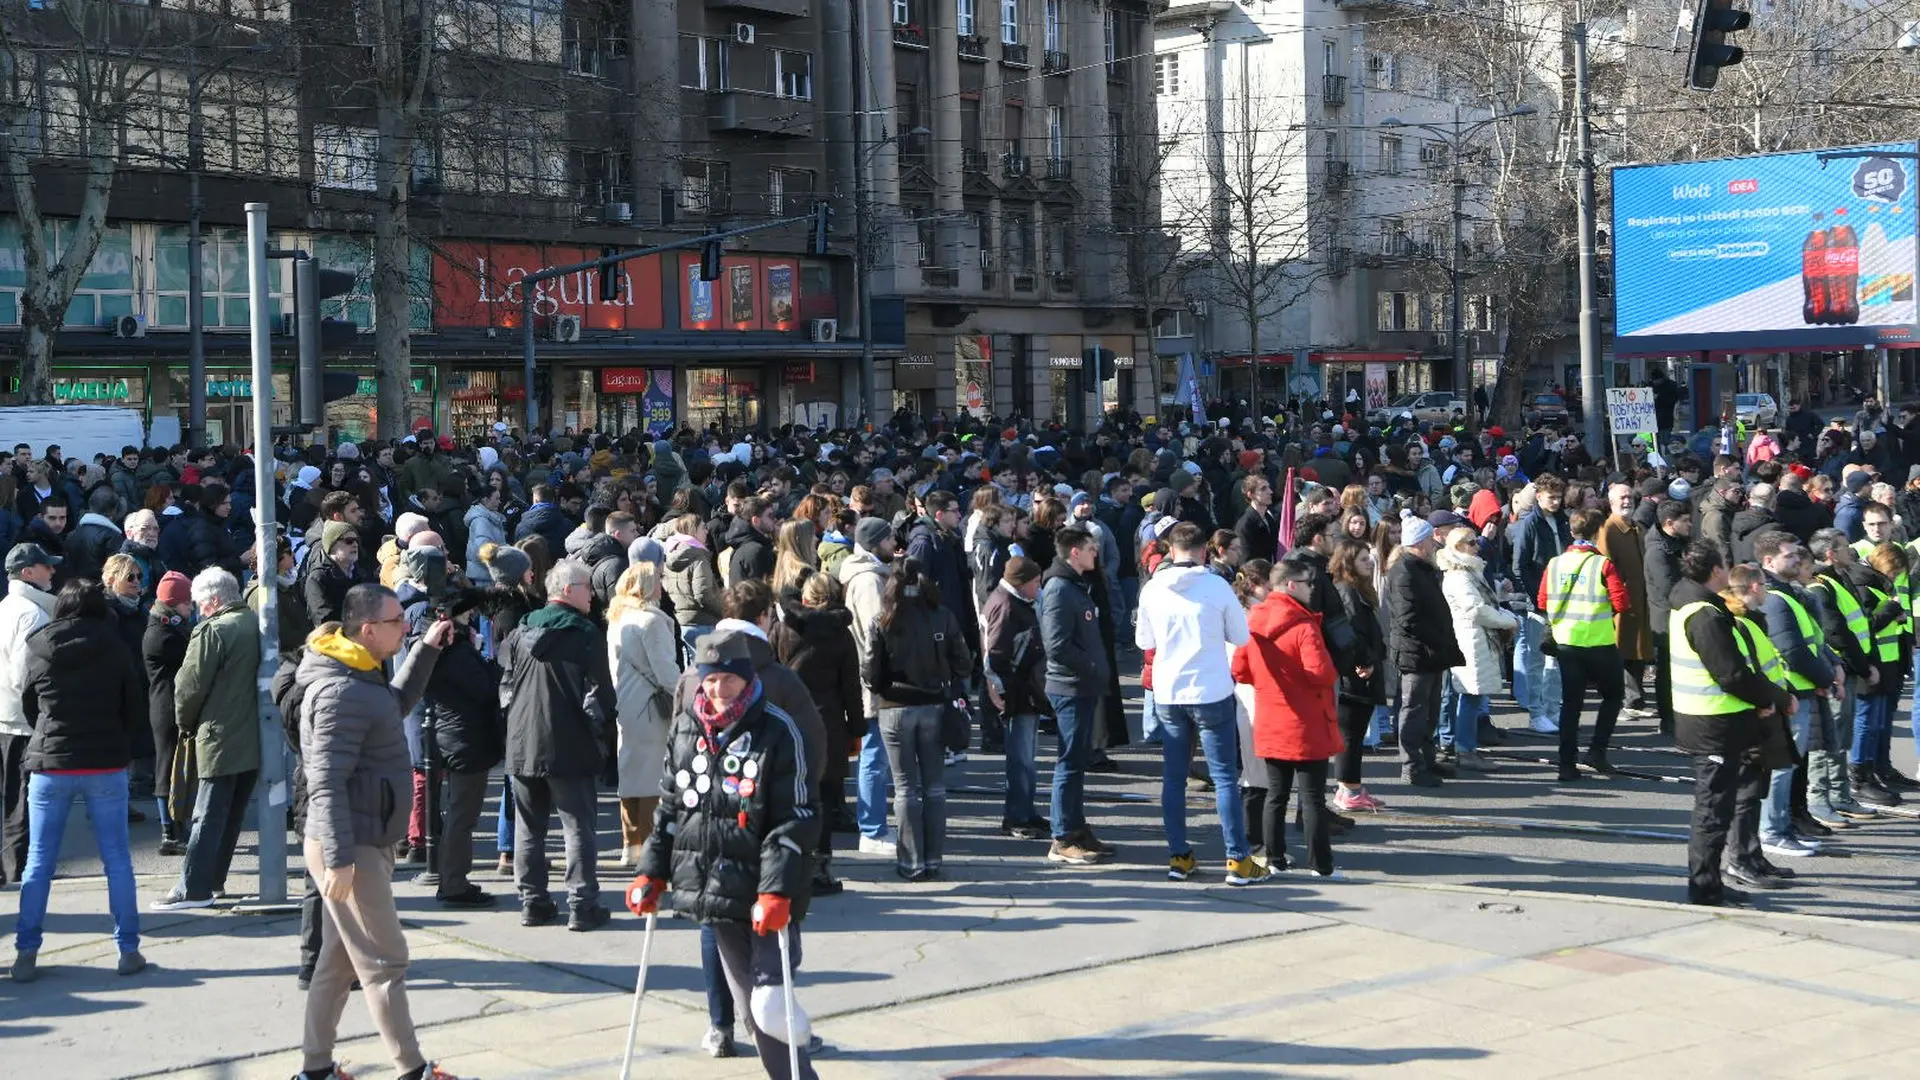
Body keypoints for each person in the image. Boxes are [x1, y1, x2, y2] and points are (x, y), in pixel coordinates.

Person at [625, 634, 822, 1080]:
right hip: (712, 889)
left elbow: (796, 817)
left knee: (772, 1005)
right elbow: (670, 809)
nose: (717, 690)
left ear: (747, 678)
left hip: (764, 892)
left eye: (728, 680)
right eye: (710, 680)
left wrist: (775, 890)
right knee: (754, 1012)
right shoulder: (685, 728)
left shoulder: (776, 730)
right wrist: (651, 872)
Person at [292, 583, 459, 1080]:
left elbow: (394, 704)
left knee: (337, 965)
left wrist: (427, 649)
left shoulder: (360, 674)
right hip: (350, 845)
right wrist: (342, 858)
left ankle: (314, 1070)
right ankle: (414, 1071)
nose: (403, 628)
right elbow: (325, 780)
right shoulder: (341, 688)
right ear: (367, 629)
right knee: (386, 965)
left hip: (358, 839)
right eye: (396, 622)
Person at [10, 580, 147, 982]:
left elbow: (30, 703)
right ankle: (128, 949)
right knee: (117, 860)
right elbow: (132, 705)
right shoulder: (115, 644)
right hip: (105, 762)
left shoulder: (38, 645)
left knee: (38, 862)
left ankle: (26, 953)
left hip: (51, 763)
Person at [1670, 541, 1798, 906]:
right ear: (1715, 571)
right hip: (1713, 724)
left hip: (1714, 719)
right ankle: (1706, 887)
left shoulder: (1693, 605)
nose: (1729, 570)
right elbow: (1730, 674)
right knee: (1713, 811)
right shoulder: (1705, 615)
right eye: (1724, 565)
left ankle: (1710, 881)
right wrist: (1772, 699)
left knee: (1717, 807)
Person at [1135, 522, 1260, 885]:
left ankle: (1179, 856)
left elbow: (1145, 639)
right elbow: (1240, 635)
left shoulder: (1153, 589)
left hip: (1169, 691)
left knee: (1173, 779)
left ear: (1171, 551)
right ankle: (1237, 859)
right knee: (1224, 777)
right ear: (1205, 551)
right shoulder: (1217, 586)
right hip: (1211, 689)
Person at [499, 559, 617, 930]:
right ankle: (582, 904)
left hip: (522, 739)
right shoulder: (584, 633)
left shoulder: (520, 631)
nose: (593, 595)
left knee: (529, 826)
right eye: (587, 587)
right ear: (568, 590)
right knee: (577, 825)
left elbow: (505, 686)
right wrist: (601, 735)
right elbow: (601, 696)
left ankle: (533, 901)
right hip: (569, 739)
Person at [153, 568, 262, 910]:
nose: (198, 611)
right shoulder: (255, 624)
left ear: (214, 601)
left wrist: (185, 724)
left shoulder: (213, 630)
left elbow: (188, 689)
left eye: (201, 604)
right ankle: (213, 881)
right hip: (252, 737)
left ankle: (192, 889)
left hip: (218, 734)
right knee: (230, 816)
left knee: (207, 814)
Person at [862, 557, 972, 880]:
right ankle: (933, 858)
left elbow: (870, 672)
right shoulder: (942, 616)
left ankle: (911, 862)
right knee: (935, 786)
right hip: (934, 704)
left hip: (894, 707)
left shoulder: (883, 619)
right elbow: (963, 663)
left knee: (905, 787)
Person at [1233, 560, 1343, 877]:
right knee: (1311, 798)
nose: (1312, 588)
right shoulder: (1303, 626)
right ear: (1291, 585)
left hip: (1270, 716)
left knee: (1275, 796)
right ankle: (1321, 866)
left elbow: (1240, 670)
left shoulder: (1254, 622)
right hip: (1305, 720)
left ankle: (1276, 860)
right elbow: (1321, 674)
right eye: (1308, 583)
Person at [772, 569, 861, 893]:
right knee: (823, 799)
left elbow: (770, 672)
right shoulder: (841, 633)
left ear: (806, 597)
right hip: (829, 722)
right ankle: (820, 870)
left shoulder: (784, 629)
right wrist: (857, 727)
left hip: (788, 719)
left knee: (789, 797)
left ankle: (790, 864)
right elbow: (851, 686)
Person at [1753, 531, 1839, 857]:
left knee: (1789, 767)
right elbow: (1792, 649)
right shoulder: (1776, 598)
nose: (1797, 560)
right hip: (1793, 692)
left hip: (1801, 690)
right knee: (1782, 767)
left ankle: (1782, 825)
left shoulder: (1787, 594)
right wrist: (1827, 677)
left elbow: (1811, 640)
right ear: (1769, 560)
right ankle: (1772, 831)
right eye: (1789, 556)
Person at [1039, 526, 1114, 863]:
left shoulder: (1075, 585)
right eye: (1089, 548)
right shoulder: (1059, 588)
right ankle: (1062, 837)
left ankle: (1077, 828)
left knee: (1077, 761)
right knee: (1068, 762)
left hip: (1082, 685)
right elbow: (1056, 645)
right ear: (1074, 552)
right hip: (1069, 686)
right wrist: (1092, 667)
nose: (1095, 553)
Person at [1539, 508, 1630, 781]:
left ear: (1571, 531)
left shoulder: (1555, 564)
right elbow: (1622, 602)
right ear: (1597, 532)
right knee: (1613, 696)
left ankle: (1566, 764)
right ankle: (1597, 751)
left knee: (1571, 704)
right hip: (1599, 642)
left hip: (1567, 642)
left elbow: (1542, 601)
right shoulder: (1603, 564)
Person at [607, 561, 677, 868]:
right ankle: (649, 847)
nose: (662, 585)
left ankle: (629, 845)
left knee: (630, 775)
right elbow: (666, 672)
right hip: (653, 707)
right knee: (652, 777)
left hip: (627, 703)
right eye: (658, 580)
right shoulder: (652, 621)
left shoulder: (617, 619)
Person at [1386, 513, 1462, 787]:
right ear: (1418, 542)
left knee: (1428, 709)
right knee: (1414, 709)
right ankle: (1412, 766)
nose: (1434, 543)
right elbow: (1408, 618)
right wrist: (1435, 640)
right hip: (1416, 652)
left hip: (1430, 652)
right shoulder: (1404, 571)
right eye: (1430, 539)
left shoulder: (1421, 568)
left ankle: (1427, 759)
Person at [0, 543, 61, 887]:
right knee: (22, 801)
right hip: (22, 722)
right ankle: (19, 870)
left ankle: (12, 867)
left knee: (12, 798)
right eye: (46, 566)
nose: (52, 571)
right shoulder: (31, 614)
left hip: (6, 716)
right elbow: (26, 675)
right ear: (28, 573)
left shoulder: (8, 606)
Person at [838, 516, 898, 855]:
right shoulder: (869, 582)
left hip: (871, 676)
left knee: (874, 754)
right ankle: (872, 829)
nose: (894, 544)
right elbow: (879, 635)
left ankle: (873, 825)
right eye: (888, 539)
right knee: (874, 755)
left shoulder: (871, 576)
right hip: (874, 679)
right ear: (875, 543)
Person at [1437, 526, 1516, 773]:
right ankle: (1464, 749)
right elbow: (1476, 609)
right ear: (1458, 546)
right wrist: (1508, 620)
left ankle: (1459, 745)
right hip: (1469, 640)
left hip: (1475, 638)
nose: (1477, 546)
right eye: (1471, 542)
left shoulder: (1469, 569)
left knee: (1468, 695)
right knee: (1470, 695)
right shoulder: (1459, 576)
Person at [981, 556, 1049, 839]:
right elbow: (995, 655)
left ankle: (1026, 811)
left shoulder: (1014, 602)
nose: (1040, 588)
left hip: (1025, 690)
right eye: (1035, 583)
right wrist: (998, 689)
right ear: (1020, 584)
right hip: (1017, 692)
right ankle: (1016, 817)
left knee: (1027, 758)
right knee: (1020, 760)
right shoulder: (1007, 607)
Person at [1327, 539, 1387, 812]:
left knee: (1354, 732)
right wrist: (1365, 662)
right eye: (1363, 559)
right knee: (1350, 734)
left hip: (1362, 669)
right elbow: (1350, 633)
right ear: (1349, 563)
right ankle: (1349, 790)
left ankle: (1349, 787)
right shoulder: (1347, 591)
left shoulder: (1356, 590)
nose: (1369, 562)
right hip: (1354, 674)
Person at [144, 571, 195, 855]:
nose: (191, 609)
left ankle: (178, 824)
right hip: (166, 706)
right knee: (166, 767)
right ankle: (169, 831)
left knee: (176, 767)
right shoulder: (161, 634)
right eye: (187, 604)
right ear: (174, 603)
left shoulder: (167, 627)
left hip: (169, 703)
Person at [1596, 482, 1655, 715]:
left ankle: (1636, 700)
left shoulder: (1637, 528)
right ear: (1611, 502)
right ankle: (1625, 701)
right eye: (1621, 497)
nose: (1627, 501)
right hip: (1621, 602)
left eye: (1629, 496)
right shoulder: (1608, 530)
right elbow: (1605, 568)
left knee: (1637, 650)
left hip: (1640, 600)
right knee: (1622, 651)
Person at [1644, 500, 1692, 735]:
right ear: (1669, 523)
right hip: (1666, 619)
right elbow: (1668, 588)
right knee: (1666, 672)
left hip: (1679, 615)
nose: (1690, 524)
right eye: (1685, 521)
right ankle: (1668, 719)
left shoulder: (1679, 543)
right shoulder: (1658, 551)